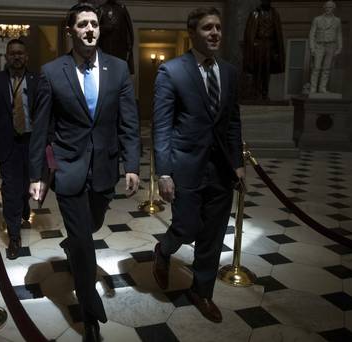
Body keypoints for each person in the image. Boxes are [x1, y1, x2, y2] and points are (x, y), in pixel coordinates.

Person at [29, 3, 140, 341]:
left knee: (92, 225)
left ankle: (75, 244)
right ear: (71, 31)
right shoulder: (51, 72)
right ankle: (90, 313)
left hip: (105, 169)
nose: (91, 29)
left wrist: (132, 165)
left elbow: (129, 122)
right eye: (83, 25)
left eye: (94, 24)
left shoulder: (118, 69)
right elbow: (41, 129)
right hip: (69, 169)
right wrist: (37, 176)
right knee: (82, 243)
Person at [151, 7, 244, 324]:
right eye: (208, 28)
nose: (215, 33)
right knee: (188, 226)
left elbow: (232, 122)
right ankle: (164, 250)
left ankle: (201, 291)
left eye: (218, 27)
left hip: (221, 169)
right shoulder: (172, 71)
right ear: (192, 33)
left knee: (214, 235)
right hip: (185, 166)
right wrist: (163, 172)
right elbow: (161, 126)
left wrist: (238, 164)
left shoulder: (229, 72)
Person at [0, 39, 38, 260]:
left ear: (26, 56)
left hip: (32, 143)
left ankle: (23, 204)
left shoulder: (37, 80)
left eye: (20, 53)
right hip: (7, 144)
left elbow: (46, 112)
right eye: (12, 53)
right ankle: (14, 236)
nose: (16, 56)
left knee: (27, 184)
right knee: (11, 189)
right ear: (6, 56)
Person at [243, 0, 285, 100]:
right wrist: (253, 45)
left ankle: (265, 93)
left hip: (270, 45)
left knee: (267, 70)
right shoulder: (255, 13)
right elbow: (249, 33)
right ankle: (256, 92)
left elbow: (277, 32)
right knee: (257, 69)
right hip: (257, 45)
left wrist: (276, 49)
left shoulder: (275, 14)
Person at [309, 0, 342, 94]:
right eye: (327, 7)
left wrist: (340, 47)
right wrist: (312, 47)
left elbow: (339, 34)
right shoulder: (317, 19)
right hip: (319, 45)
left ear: (334, 8)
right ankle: (313, 88)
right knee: (316, 67)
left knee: (327, 68)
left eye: (330, 7)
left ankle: (322, 88)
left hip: (331, 45)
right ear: (324, 8)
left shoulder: (337, 21)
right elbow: (312, 34)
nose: (328, 9)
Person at [97, 0, 135, 74]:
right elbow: (95, 29)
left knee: (120, 72)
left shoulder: (122, 8)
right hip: (105, 48)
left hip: (120, 49)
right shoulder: (101, 9)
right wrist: (105, 28)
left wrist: (129, 49)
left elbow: (129, 30)